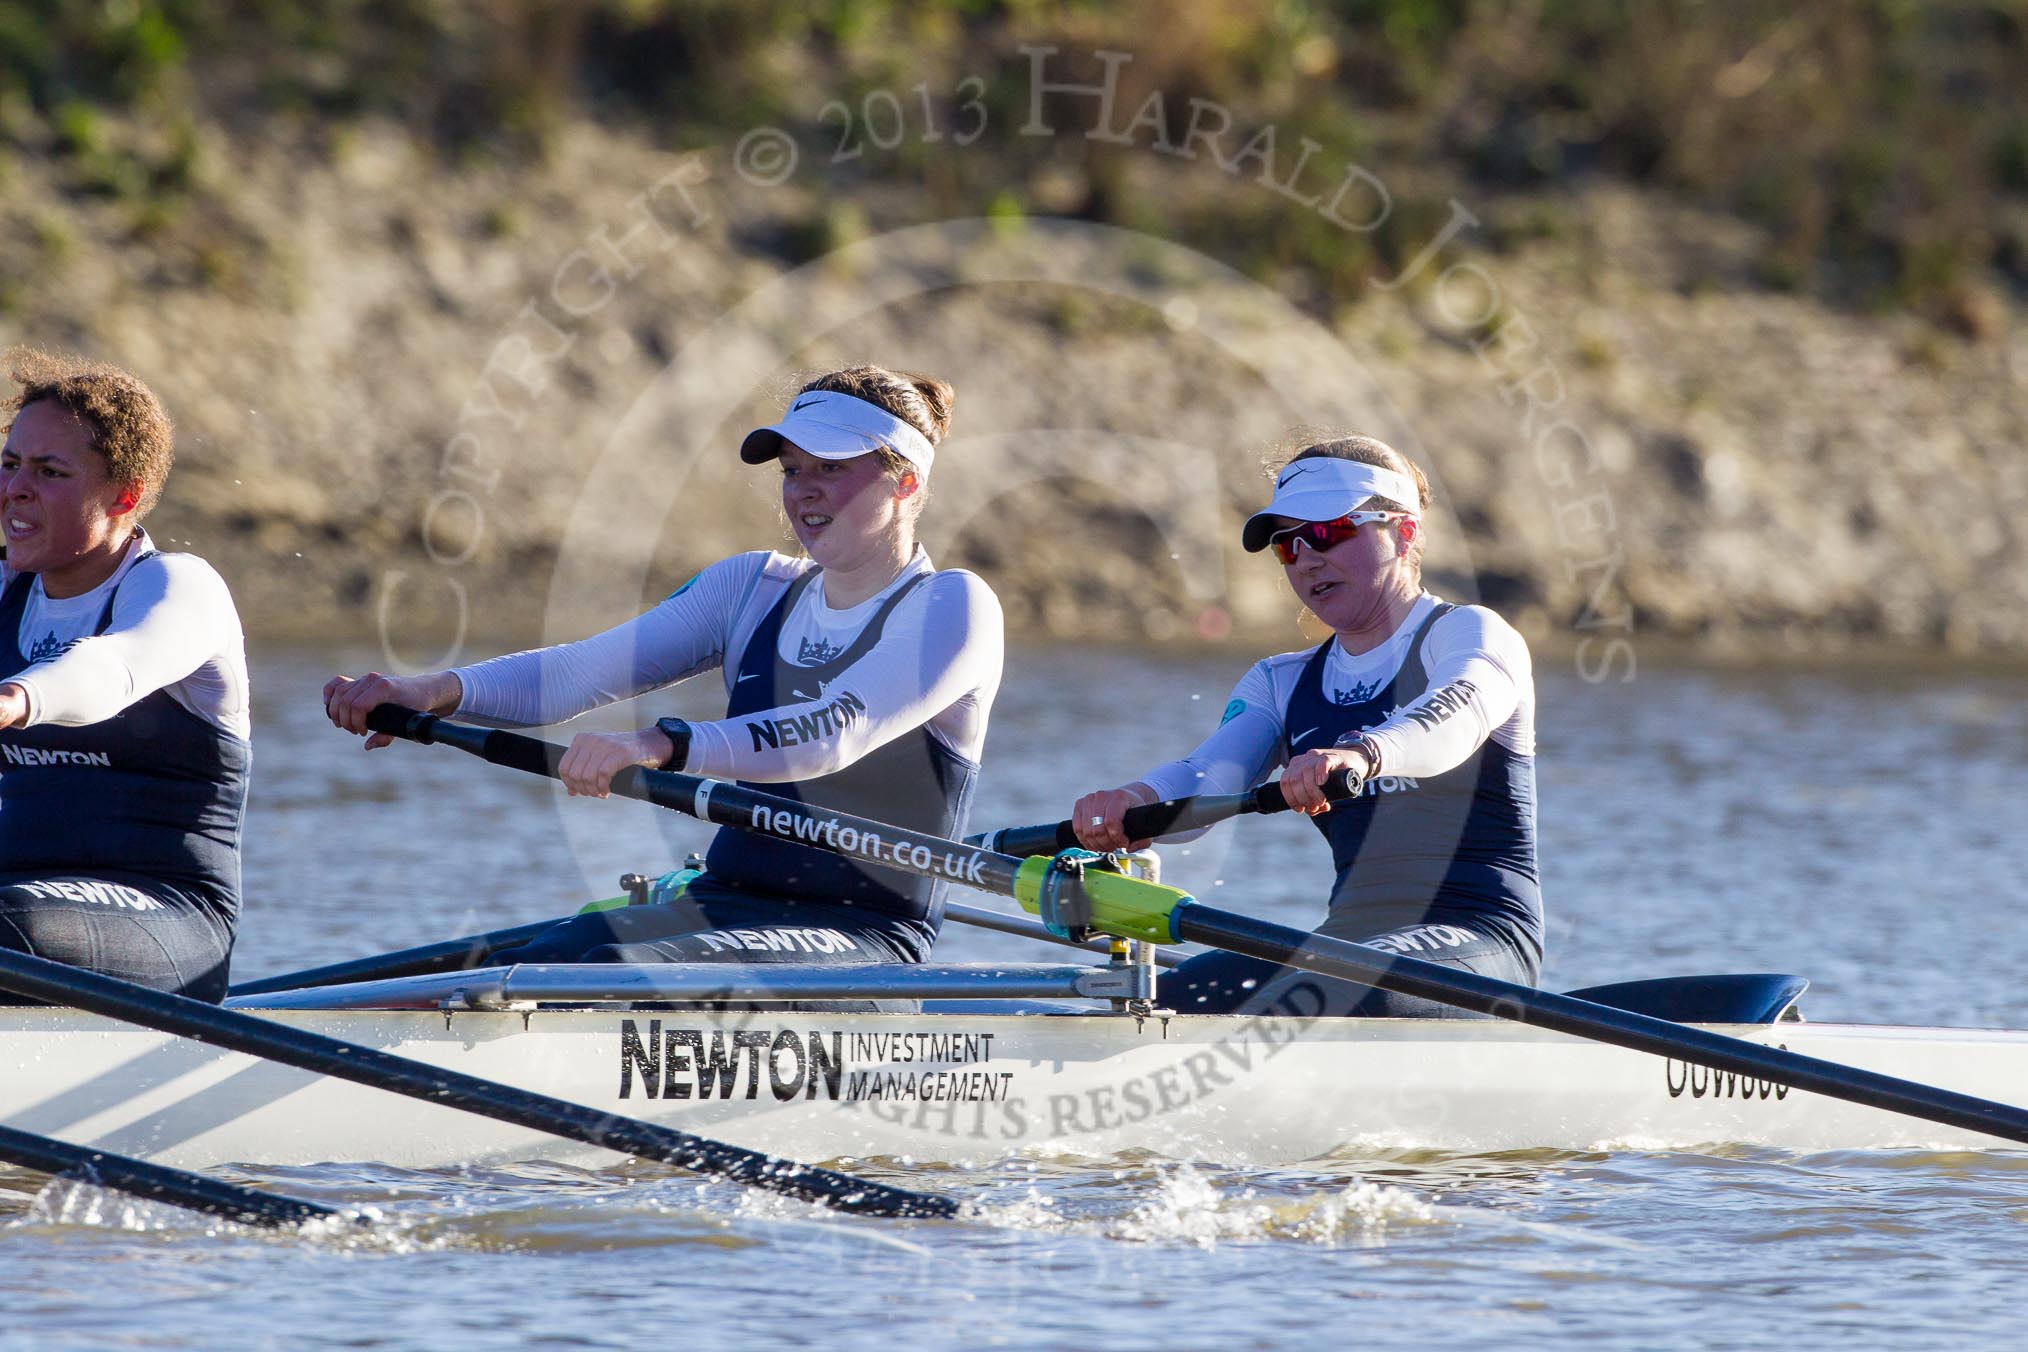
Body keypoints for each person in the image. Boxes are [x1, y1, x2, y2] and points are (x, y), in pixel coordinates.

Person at [325, 366, 1003, 969]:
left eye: (830, 469)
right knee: (558, 956)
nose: (803, 493)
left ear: (906, 481)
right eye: (792, 471)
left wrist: (661, 744)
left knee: (606, 961)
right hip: (722, 904)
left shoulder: (954, 606)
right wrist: (431, 690)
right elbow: (578, 673)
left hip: (863, 935)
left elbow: (833, 732)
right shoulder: (752, 587)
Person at [1072, 434, 1542, 1017]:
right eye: (1287, 547)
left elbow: (1455, 717)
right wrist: (1132, 800)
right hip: (1346, 944)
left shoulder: (1469, 633)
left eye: (1327, 532)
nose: (1307, 558)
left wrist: (1362, 755)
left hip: (1480, 938)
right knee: (1157, 1001)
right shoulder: (1280, 681)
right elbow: (1208, 775)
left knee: (1326, 982)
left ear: (1405, 531)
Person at [0, 349, 251, 1002]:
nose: (14, 490)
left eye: (49, 471)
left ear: (125, 495)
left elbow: (110, 669)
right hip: (18, 892)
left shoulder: (179, 588)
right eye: (9, 464)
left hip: (170, 913)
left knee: (8, 923)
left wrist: (18, 697)